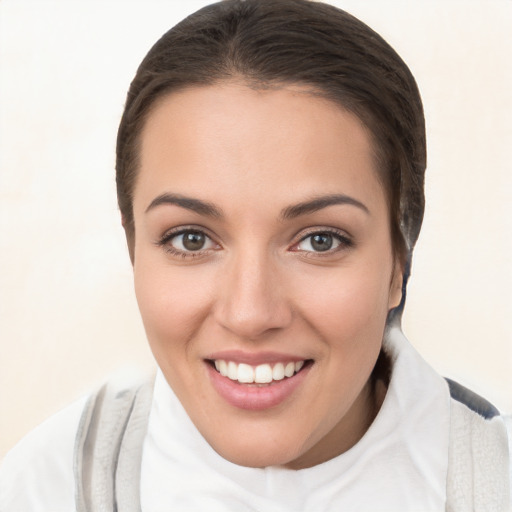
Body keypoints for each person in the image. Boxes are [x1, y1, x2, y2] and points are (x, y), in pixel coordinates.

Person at [1, 0, 510, 510]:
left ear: (400, 259)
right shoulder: (41, 489)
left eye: (320, 240)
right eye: (191, 239)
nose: (249, 314)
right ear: (133, 248)